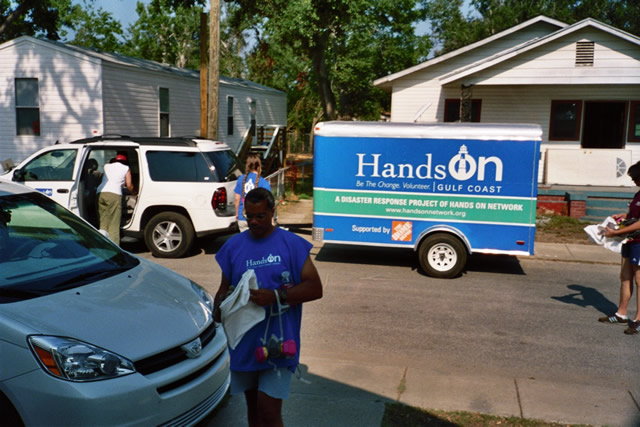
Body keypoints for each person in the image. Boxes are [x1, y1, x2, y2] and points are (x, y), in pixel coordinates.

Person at [214, 188, 322, 427]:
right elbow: (223, 289)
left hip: (279, 346)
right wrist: (220, 306)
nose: (253, 222)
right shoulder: (233, 247)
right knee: (253, 410)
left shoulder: (292, 245)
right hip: (245, 344)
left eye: (260, 216)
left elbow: (315, 288)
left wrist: (276, 295)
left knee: (269, 412)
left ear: (273, 211)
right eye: (248, 215)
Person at [602, 161, 640, 335]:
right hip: (629, 241)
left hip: (638, 242)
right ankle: (621, 314)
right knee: (625, 277)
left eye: (634, 177)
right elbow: (634, 216)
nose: (633, 181)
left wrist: (617, 232)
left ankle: (638, 320)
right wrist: (623, 216)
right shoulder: (638, 194)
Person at [97, 152, 135, 245]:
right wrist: (134, 193)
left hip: (100, 193)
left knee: (103, 222)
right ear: (125, 161)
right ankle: (115, 247)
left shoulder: (106, 166)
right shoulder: (126, 168)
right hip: (114, 194)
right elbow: (129, 185)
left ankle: (102, 244)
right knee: (114, 223)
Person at [235, 154, 271, 232]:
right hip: (258, 218)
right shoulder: (263, 182)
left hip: (243, 216)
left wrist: (237, 213)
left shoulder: (241, 179)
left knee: (245, 242)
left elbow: (237, 199)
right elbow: (269, 202)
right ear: (259, 166)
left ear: (247, 165)